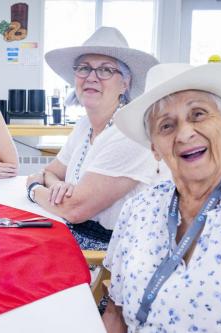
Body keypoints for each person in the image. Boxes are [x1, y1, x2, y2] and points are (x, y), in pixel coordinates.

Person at [103, 63, 221, 331]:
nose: (185, 134)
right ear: (154, 148)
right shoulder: (138, 209)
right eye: (166, 126)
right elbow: (116, 311)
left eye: (198, 114)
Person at [26, 27, 161, 250]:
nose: (91, 77)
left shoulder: (132, 133)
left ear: (125, 84)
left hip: (112, 251)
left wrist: (34, 189)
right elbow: (49, 172)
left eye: (106, 70)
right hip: (73, 233)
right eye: (84, 68)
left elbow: (74, 210)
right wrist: (58, 185)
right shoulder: (84, 125)